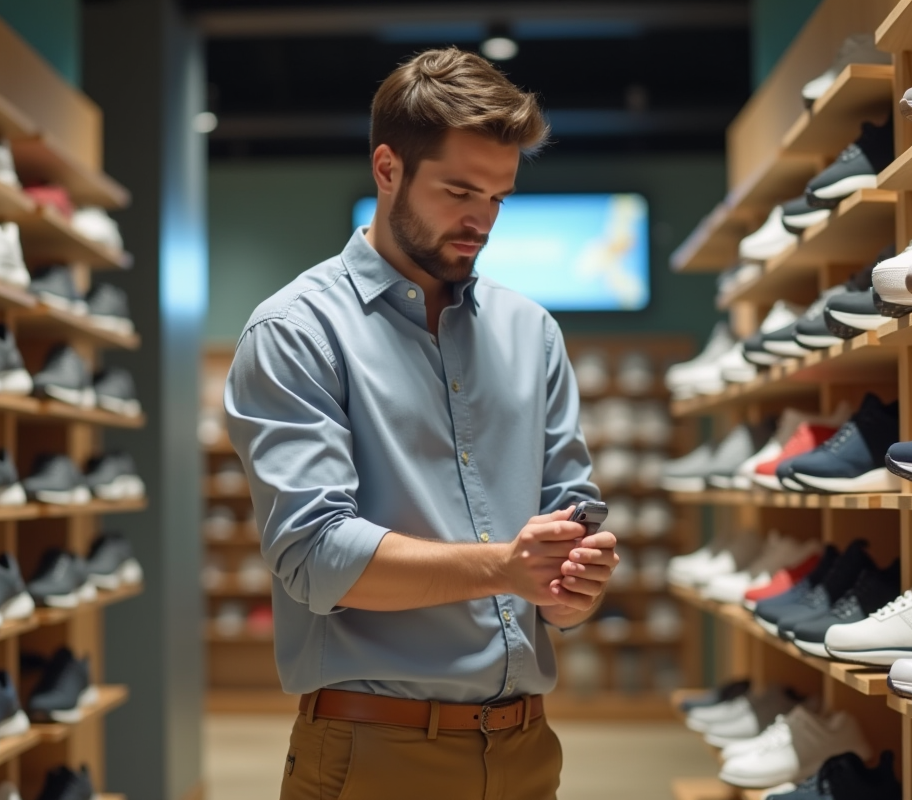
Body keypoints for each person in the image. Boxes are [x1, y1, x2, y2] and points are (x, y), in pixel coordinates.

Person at [224, 46, 619, 800]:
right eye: (459, 191)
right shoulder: (296, 331)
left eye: (499, 198)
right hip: (373, 753)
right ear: (387, 169)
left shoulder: (531, 330)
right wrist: (505, 567)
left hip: (527, 749)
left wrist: (574, 585)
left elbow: (572, 511)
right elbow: (313, 555)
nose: (481, 221)